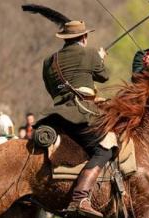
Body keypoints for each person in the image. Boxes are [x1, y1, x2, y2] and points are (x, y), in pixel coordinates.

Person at [40, 20, 113, 217]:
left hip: (54, 117)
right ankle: (81, 197)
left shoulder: (49, 61)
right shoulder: (90, 54)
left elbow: (51, 90)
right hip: (81, 114)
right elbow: (104, 76)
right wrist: (100, 58)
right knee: (105, 149)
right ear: (84, 37)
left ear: (65, 39)